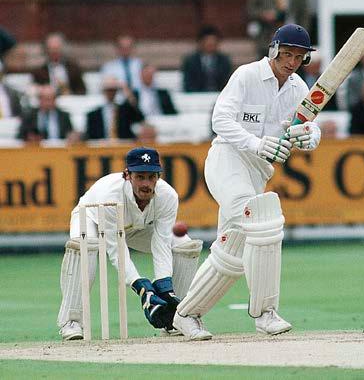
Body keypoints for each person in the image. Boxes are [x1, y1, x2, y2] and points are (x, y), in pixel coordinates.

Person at [172, 24, 322, 340]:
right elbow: (220, 120)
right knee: (262, 222)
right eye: (287, 54)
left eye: (299, 57)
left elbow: (307, 125)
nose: (292, 62)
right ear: (274, 50)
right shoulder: (247, 75)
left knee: (232, 248)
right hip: (227, 160)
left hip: (257, 172)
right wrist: (256, 143)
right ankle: (266, 313)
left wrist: (310, 137)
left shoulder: (298, 87)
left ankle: (186, 315)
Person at [57, 146, 203, 340]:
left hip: (136, 227)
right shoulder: (109, 196)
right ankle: (71, 321)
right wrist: (141, 286)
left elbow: (161, 242)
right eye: (140, 177)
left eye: (151, 177)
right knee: (84, 247)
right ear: (127, 175)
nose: (146, 184)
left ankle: (176, 317)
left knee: (184, 244)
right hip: (92, 218)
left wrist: (164, 286)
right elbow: (116, 248)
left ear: (158, 177)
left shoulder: (168, 196)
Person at [85, 76, 144, 140]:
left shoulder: (125, 111)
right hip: (101, 144)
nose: (110, 93)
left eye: (113, 90)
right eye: (108, 90)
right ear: (103, 91)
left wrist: (126, 91)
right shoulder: (93, 115)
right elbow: (89, 137)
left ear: (117, 91)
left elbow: (140, 118)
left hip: (123, 144)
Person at [182, 25, 232, 93]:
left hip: (219, 94)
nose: (211, 44)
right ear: (200, 42)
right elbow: (188, 83)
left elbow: (227, 82)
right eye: (208, 41)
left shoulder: (224, 60)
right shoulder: (190, 61)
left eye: (213, 41)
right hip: (197, 95)